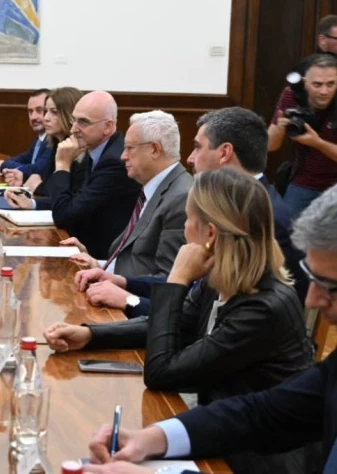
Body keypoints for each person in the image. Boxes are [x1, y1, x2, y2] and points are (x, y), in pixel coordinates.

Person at [45, 168, 314, 473]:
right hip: (216, 433)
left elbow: (161, 372)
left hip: (252, 460)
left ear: (210, 234)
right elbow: (176, 325)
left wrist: (177, 278)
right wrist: (91, 335)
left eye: (188, 219)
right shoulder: (222, 279)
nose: (185, 228)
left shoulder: (262, 309)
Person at [78, 106, 307, 315]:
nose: (189, 159)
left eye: (197, 147)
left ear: (224, 153)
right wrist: (123, 282)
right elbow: (194, 291)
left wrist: (129, 299)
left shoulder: (264, 217)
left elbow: (198, 315)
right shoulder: (239, 205)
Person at [65, 111, 192, 317]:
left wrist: (127, 298)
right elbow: (137, 260)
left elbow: (172, 282)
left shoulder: (181, 198)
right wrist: (98, 264)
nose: (123, 156)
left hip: (133, 312)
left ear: (154, 149)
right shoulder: (153, 187)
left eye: (130, 148)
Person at [45, 91, 141, 259]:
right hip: (86, 248)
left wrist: (62, 165)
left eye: (83, 122)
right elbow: (73, 199)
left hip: (105, 258)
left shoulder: (114, 161)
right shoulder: (95, 150)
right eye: (73, 120)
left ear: (108, 127)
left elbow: (64, 216)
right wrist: (31, 203)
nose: (73, 129)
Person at [269, 54, 337, 218]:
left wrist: (317, 143)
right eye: (317, 84)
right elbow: (270, 146)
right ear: (305, 83)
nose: (324, 91)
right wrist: (280, 128)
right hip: (304, 180)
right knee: (283, 227)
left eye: (331, 84)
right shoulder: (292, 95)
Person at [2, 87, 85, 209]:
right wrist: (24, 178)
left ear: (70, 115)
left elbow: (68, 197)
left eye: (54, 112)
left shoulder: (80, 151)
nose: (46, 118)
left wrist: (39, 188)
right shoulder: (56, 143)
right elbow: (49, 184)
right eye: (46, 111)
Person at [0, 89, 51, 179]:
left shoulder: (55, 139)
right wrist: (4, 167)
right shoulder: (41, 137)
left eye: (39, 110)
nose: (33, 117)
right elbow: (25, 158)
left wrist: (3, 165)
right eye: (30, 111)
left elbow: (36, 170)